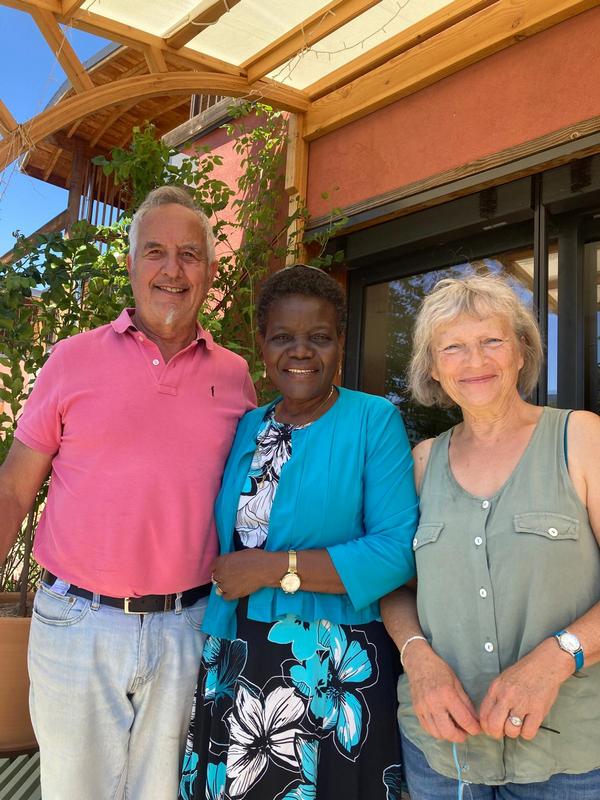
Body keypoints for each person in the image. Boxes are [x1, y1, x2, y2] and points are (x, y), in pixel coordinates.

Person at [0, 185, 256, 799]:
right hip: (77, 623)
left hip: (187, 626)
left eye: (190, 254)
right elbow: (14, 487)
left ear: (211, 271)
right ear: (132, 263)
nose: (173, 270)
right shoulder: (70, 359)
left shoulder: (236, 375)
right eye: (156, 252)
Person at [179, 264, 419, 800]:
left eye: (319, 337)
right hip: (237, 652)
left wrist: (272, 567)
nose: (301, 351)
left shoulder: (371, 420)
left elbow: (396, 550)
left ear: (340, 344)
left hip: (332, 663)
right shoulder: (249, 425)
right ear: (262, 347)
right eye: (283, 337)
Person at [381, 273, 600, 799]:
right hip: (443, 755)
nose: (474, 361)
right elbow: (393, 585)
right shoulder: (421, 463)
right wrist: (418, 658)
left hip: (568, 755)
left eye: (491, 341)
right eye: (453, 347)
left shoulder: (581, 438)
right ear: (433, 368)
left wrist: (557, 658)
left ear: (522, 351)